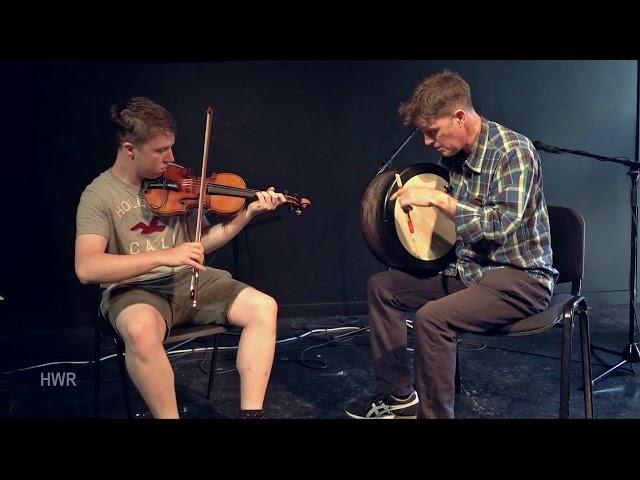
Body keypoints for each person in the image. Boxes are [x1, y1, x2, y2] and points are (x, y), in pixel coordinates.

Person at [345, 70, 558, 419]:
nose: (428, 141)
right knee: (383, 287)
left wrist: (442, 202)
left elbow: (500, 226)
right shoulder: (454, 155)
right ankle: (399, 396)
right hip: (470, 271)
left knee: (432, 319)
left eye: (432, 131)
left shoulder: (513, 152)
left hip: (521, 279)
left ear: (459, 116)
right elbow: (456, 228)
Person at [75, 97, 286, 419]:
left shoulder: (178, 183)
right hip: (136, 290)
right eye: (160, 151)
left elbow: (202, 242)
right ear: (130, 149)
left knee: (263, 307)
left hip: (192, 280)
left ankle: (251, 415)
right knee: (140, 330)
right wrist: (165, 256)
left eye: (171, 148)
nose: (171, 158)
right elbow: (88, 268)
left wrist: (248, 214)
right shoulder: (99, 195)